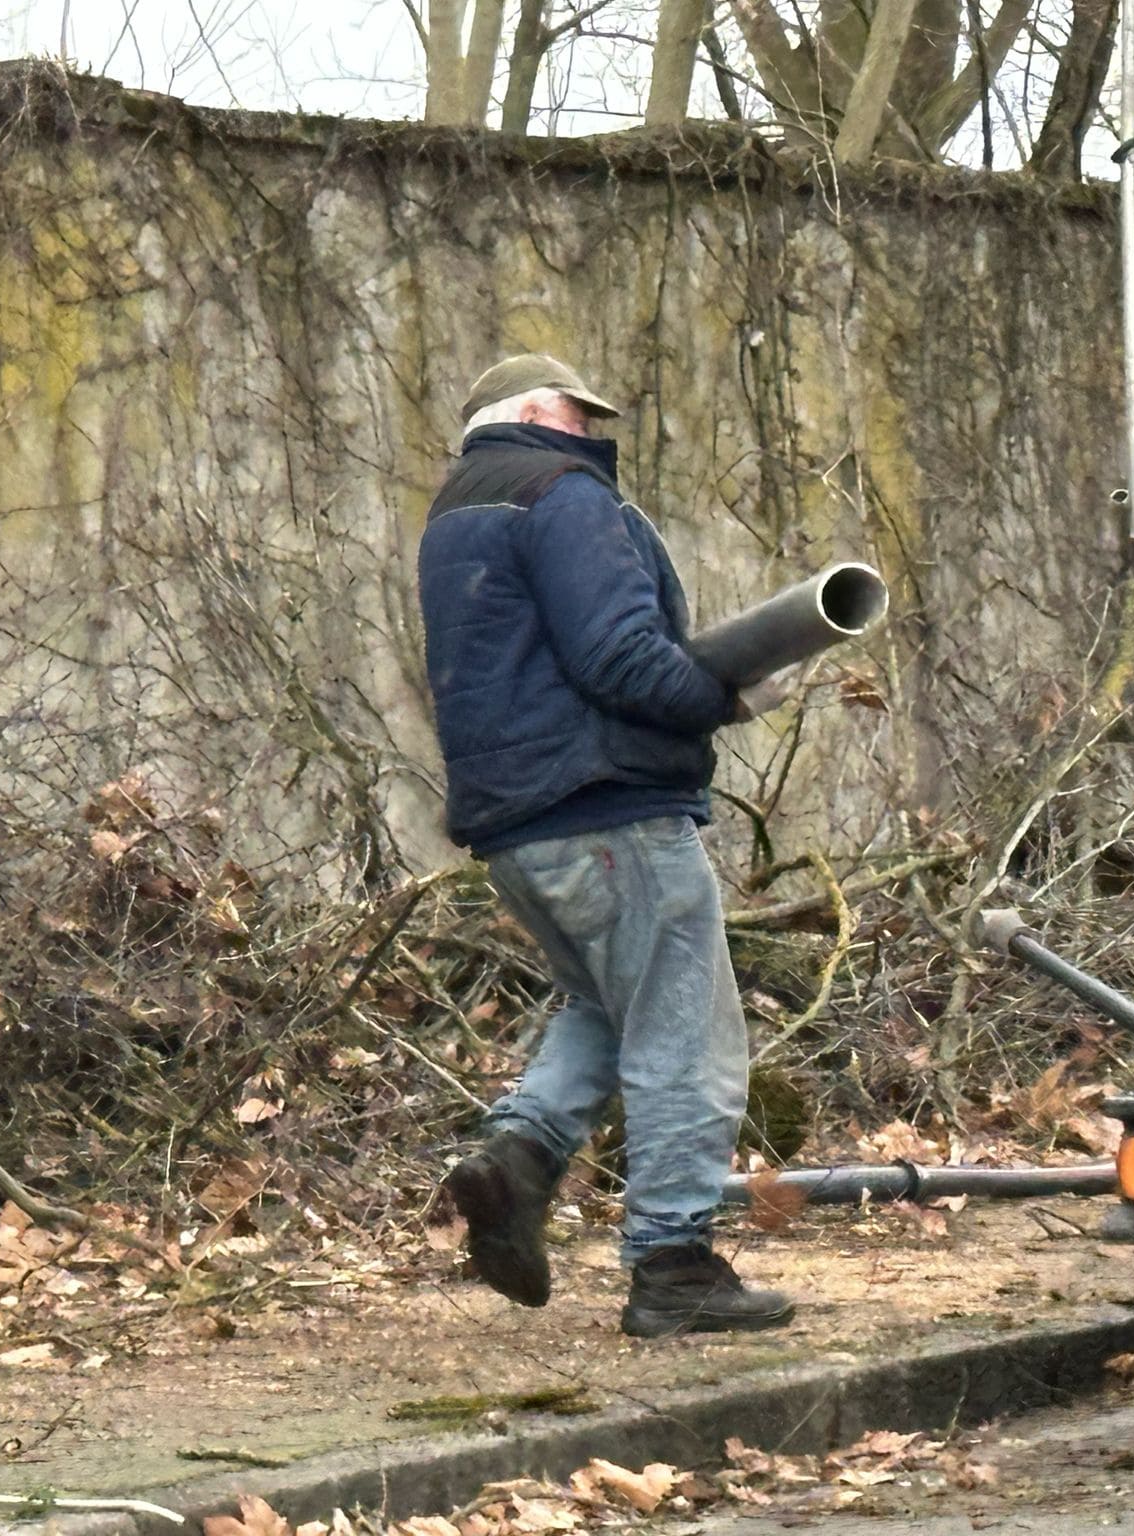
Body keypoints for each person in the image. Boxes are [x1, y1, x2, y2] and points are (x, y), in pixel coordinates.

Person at [418, 352, 798, 1338]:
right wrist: (724, 697)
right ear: (539, 410)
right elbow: (618, 656)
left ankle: (514, 1163)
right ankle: (672, 1262)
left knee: (603, 1006)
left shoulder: (455, 516)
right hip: (606, 812)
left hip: (516, 826)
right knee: (685, 1027)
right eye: (583, 417)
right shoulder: (562, 492)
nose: (594, 435)